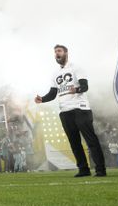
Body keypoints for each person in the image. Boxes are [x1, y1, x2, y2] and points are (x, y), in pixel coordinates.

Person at [35, 44, 107, 177]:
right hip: (65, 111)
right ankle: (83, 169)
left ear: (66, 53)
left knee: (91, 140)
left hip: (80, 108)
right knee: (74, 143)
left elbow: (85, 86)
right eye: (55, 52)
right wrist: (42, 99)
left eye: (59, 51)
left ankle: (100, 169)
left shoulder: (76, 67)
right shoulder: (55, 74)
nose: (57, 53)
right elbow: (53, 93)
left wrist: (77, 89)